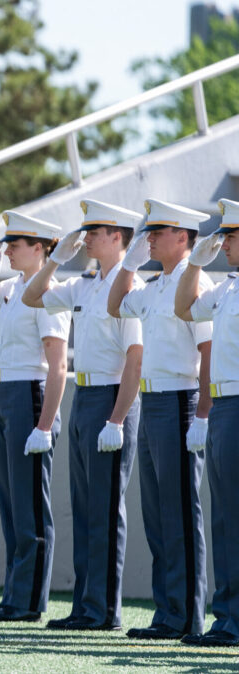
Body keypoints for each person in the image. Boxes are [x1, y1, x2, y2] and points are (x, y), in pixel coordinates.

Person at [21, 199, 144, 632]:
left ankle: (103, 610)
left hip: (112, 399)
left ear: (118, 238)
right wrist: (55, 259)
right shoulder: (86, 283)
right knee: (84, 507)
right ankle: (84, 605)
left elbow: (135, 359)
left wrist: (116, 418)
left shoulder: (131, 288)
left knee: (105, 509)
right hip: (84, 394)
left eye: (95, 231)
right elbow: (31, 295)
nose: (86, 237)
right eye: (86, 231)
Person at [108, 198, 212, 640]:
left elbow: (207, 354)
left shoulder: (196, 283)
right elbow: (116, 305)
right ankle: (165, 610)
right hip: (152, 404)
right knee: (156, 513)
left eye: (160, 231)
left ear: (184, 237)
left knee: (180, 513)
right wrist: (129, 265)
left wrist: (202, 414)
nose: (149, 237)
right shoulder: (152, 286)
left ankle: (186, 614)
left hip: (181, 401)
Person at [0, 212, 69, 622]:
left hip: (29, 394)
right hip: (7, 393)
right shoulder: (11, 289)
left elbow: (57, 366)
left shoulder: (48, 293)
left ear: (40, 248)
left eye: (17, 243)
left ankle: (27, 601)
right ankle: (14, 594)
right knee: (10, 504)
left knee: (29, 506)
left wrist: (44, 424)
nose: (8, 250)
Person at [175, 199, 239, 647]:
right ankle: (228, 618)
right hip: (223, 406)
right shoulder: (227, 288)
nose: (225, 245)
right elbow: (185, 308)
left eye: (232, 238)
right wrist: (195, 265)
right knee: (225, 518)